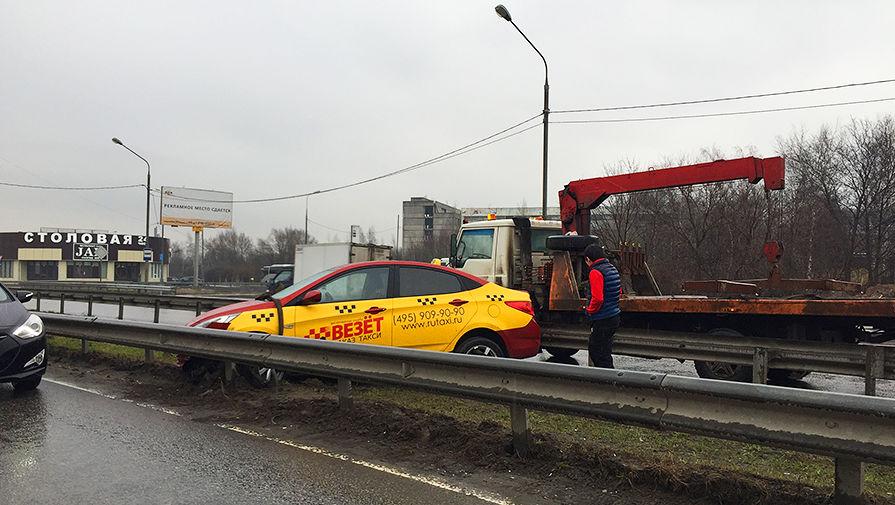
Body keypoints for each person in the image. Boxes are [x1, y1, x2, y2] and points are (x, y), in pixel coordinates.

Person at [583, 243, 621, 368]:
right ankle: (610, 379)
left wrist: (589, 310)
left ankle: (606, 381)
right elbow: (619, 291)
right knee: (605, 352)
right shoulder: (611, 268)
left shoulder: (596, 272)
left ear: (588, 259)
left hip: (602, 318)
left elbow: (598, 298)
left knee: (596, 352)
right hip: (614, 316)